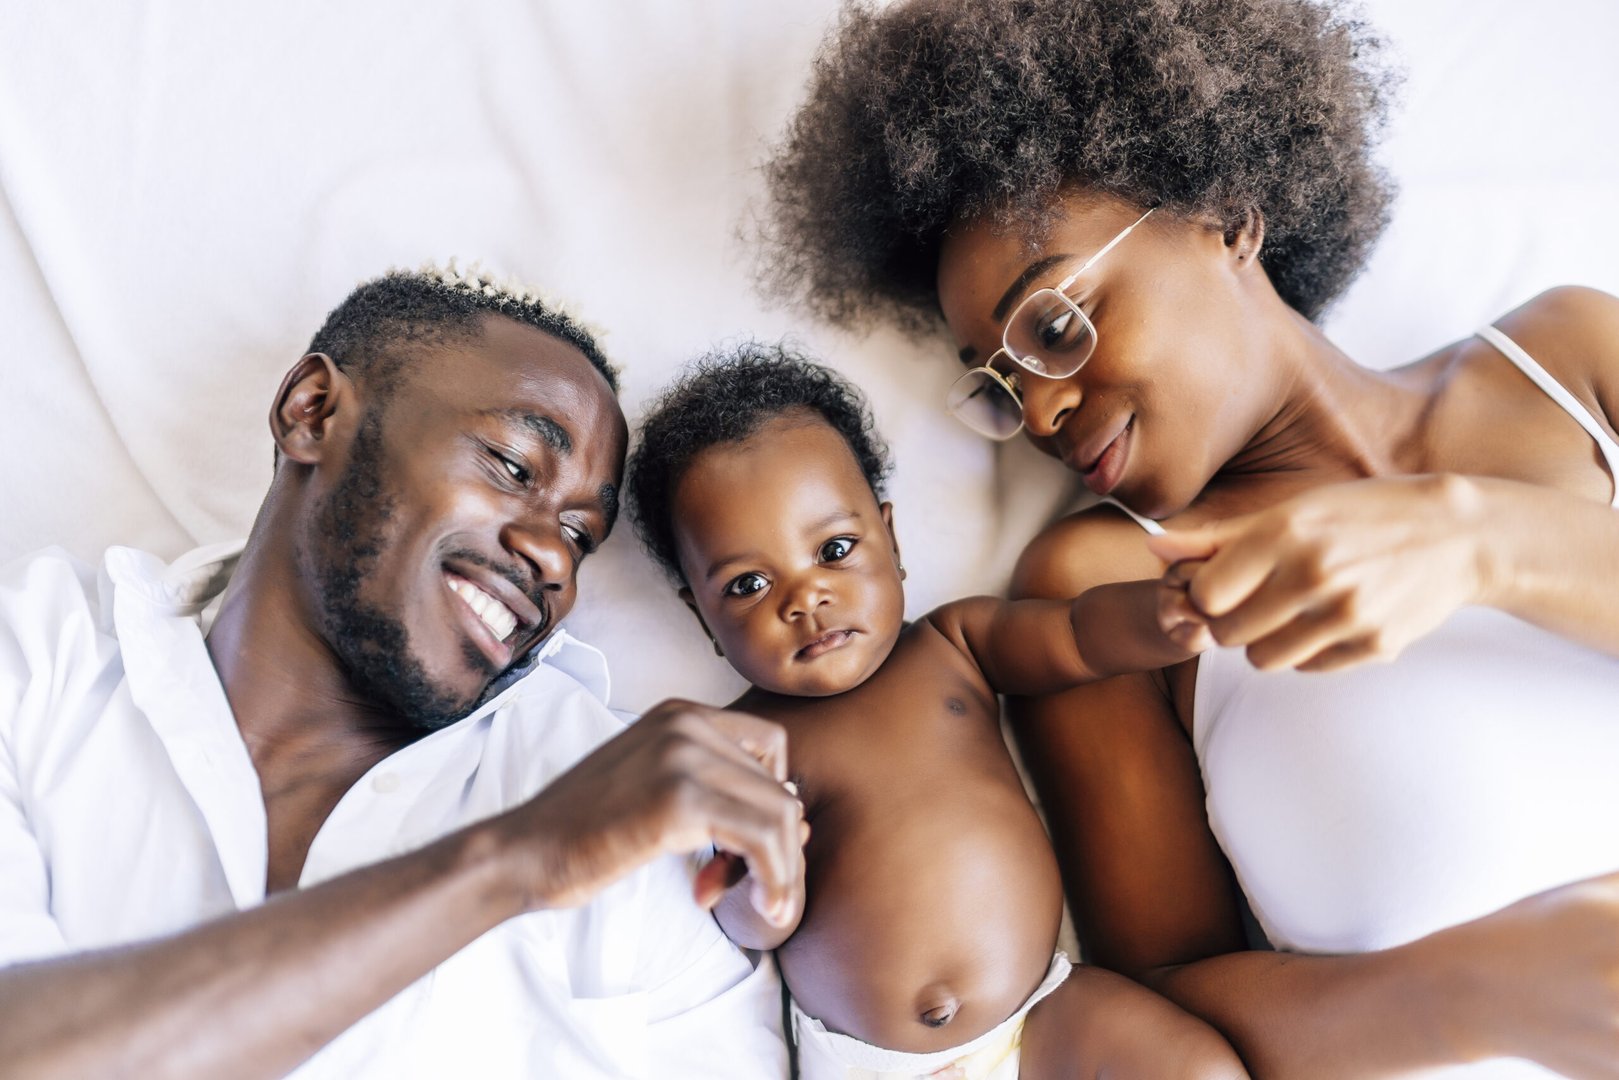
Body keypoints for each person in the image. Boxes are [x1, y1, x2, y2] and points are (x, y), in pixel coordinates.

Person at [758, 0, 1619, 1077]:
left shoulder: (1569, 362)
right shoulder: (1102, 590)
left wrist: (1480, 542)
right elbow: (1162, 1010)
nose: (1038, 414)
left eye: (1055, 328)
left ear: (1224, 215)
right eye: (1000, 388)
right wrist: (1478, 994)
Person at [0, 264, 805, 1079]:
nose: (553, 557)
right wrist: (517, 862)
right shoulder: (42, 653)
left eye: (581, 534)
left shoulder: (637, 808)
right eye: (512, 465)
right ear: (311, 412)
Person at [623, 344, 1245, 1080]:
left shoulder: (956, 644)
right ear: (702, 620)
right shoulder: (744, 748)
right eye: (748, 584)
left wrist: (1166, 614)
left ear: (890, 539)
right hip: (880, 1066)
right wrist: (765, 884)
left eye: (835, 548)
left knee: (1196, 1068)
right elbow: (743, 922)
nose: (803, 598)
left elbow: (1076, 637)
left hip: (1045, 1013)